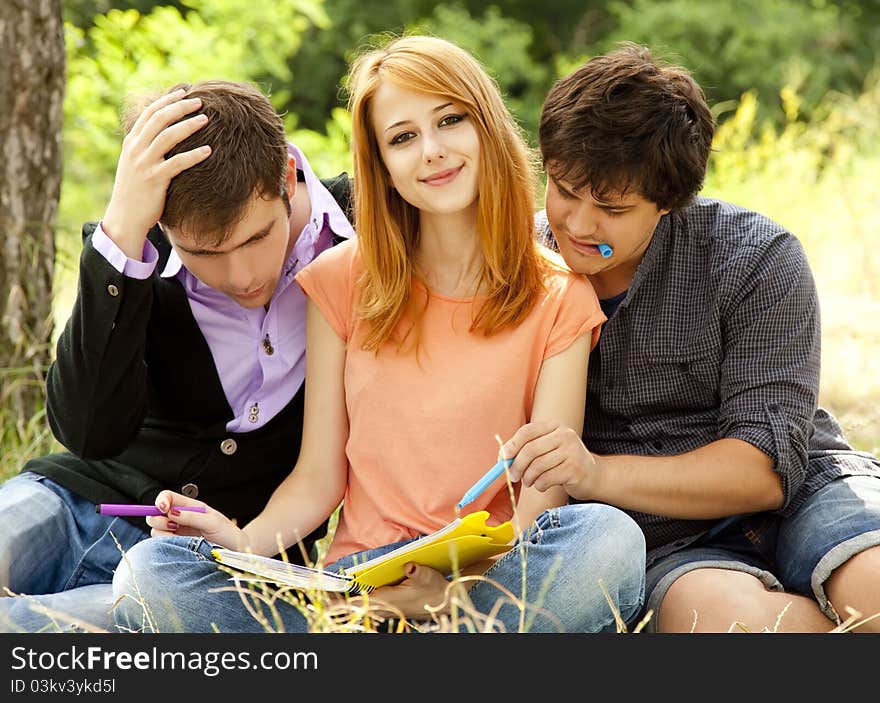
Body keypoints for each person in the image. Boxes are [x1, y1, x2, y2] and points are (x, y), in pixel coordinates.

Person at [111, 35, 646, 634]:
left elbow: (540, 507)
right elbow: (317, 480)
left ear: (487, 128)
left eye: (449, 120)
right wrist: (239, 545)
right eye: (403, 137)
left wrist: (448, 598)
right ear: (383, 167)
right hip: (358, 589)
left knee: (609, 540)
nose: (433, 151)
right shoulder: (338, 282)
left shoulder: (560, 295)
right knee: (150, 571)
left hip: (486, 587)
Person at [503, 42, 880, 632]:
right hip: (666, 541)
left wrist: (593, 473)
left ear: (669, 202)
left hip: (809, 493)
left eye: (611, 207)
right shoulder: (517, 270)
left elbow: (764, 471)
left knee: (875, 586)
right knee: (737, 628)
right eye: (564, 189)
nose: (576, 224)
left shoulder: (756, 257)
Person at [0, 80, 355, 632]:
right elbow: (89, 433)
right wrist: (121, 232)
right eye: (205, 254)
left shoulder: (369, 231)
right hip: (76, 505)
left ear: (287, 176)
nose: (242, 277)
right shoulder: (142, 252)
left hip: (211, 574)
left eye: (258, 237)